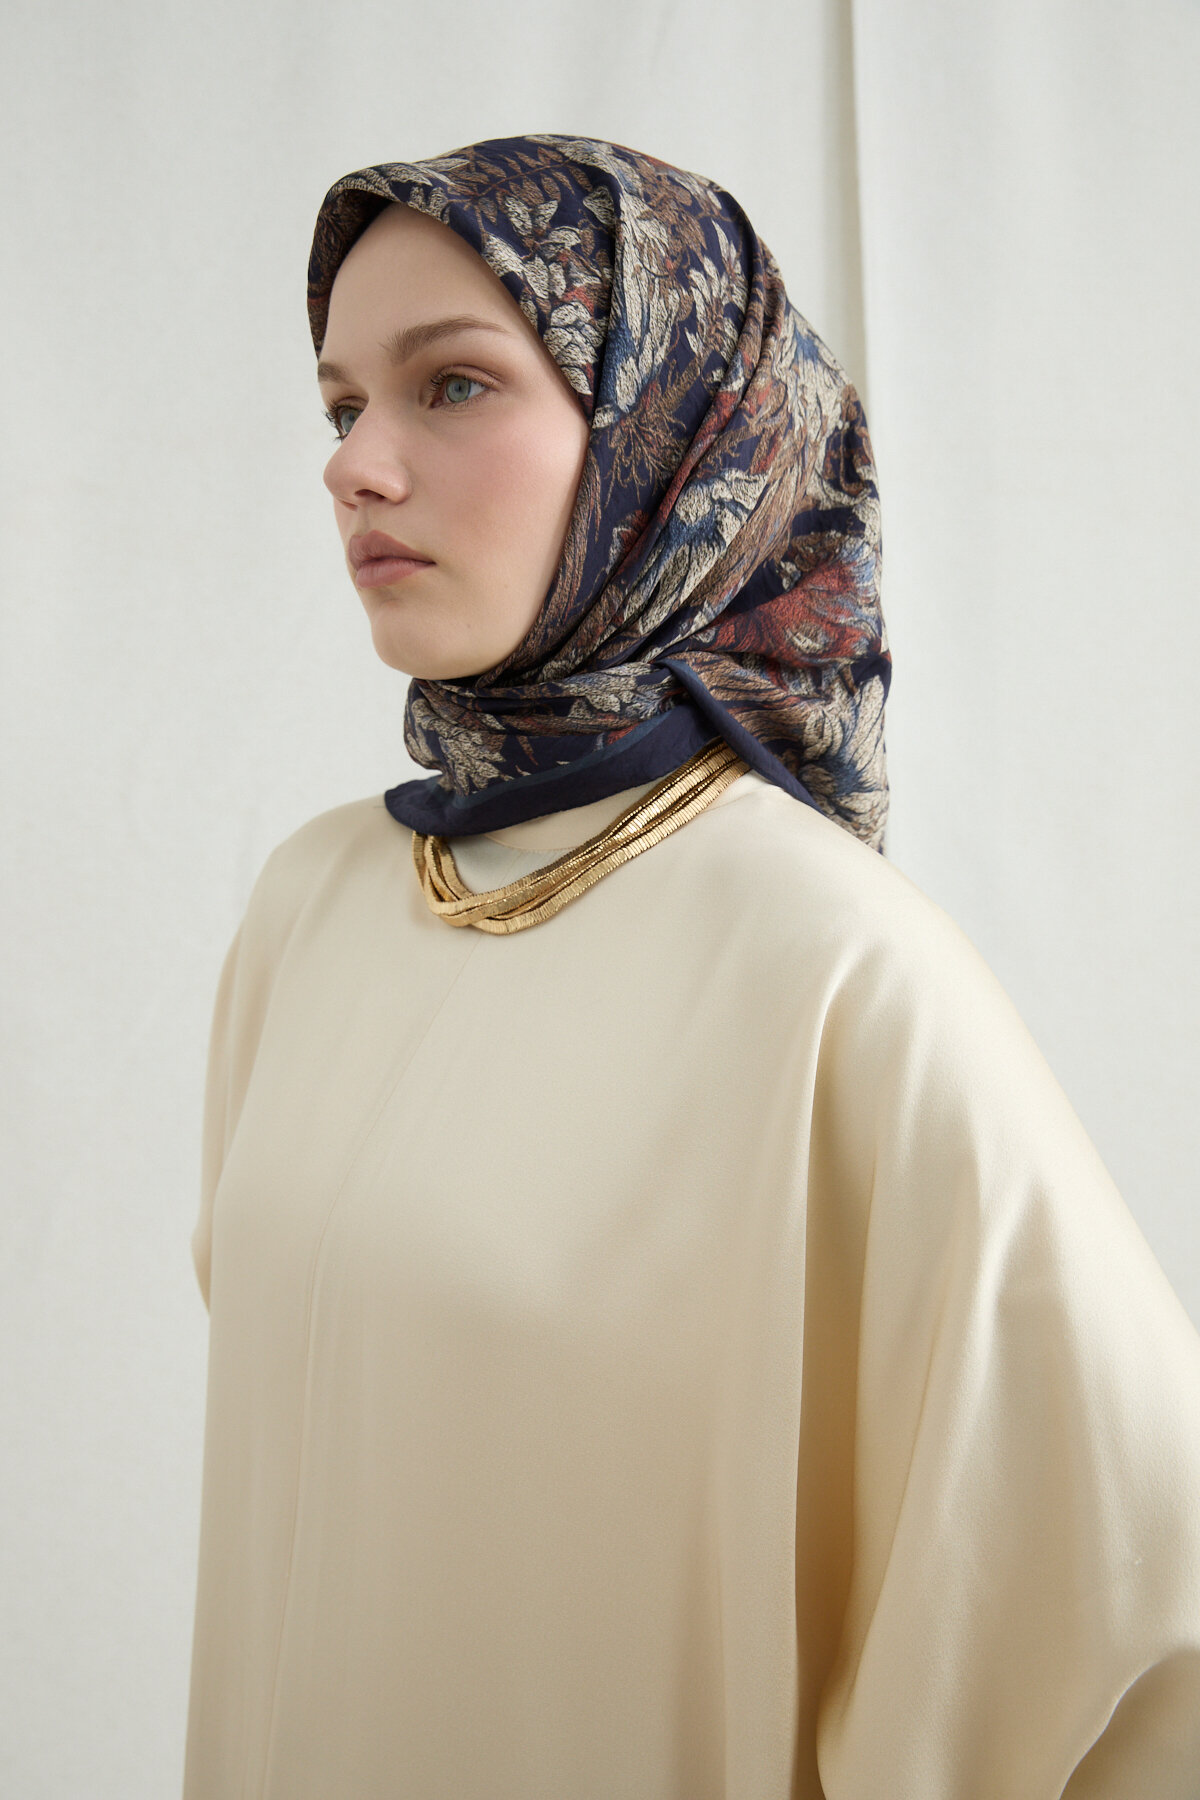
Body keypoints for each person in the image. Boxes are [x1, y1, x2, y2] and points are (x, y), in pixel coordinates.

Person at [182, 134, 1200, 1799]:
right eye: (342, 404)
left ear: (669, 429)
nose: (354, 465)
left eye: (451, 385)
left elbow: (1129, 1602)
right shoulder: (315, 907)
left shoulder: (832, 972)